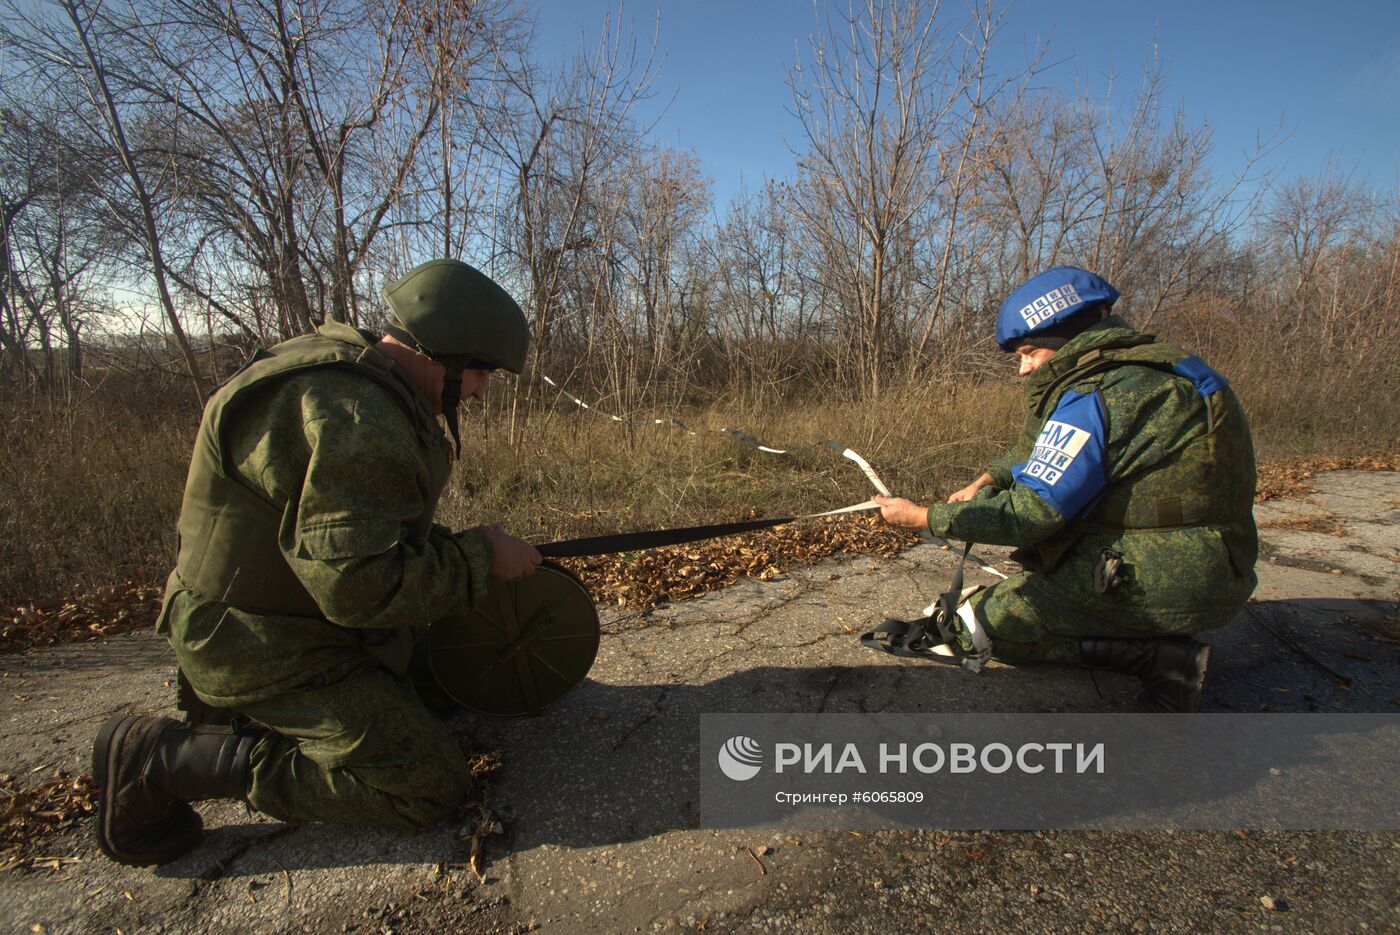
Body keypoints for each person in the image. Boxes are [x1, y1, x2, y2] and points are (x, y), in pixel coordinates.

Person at [93, 259, 543, 866]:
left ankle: (262, 719)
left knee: (451, 678)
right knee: (428, 783)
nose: (485, 391)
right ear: (448, 357)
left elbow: (351, 533)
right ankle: (164, 761)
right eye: (485, 372)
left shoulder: (346, 366)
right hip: (263, 645)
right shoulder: (358, 416)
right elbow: (360, 590)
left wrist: (467, 551)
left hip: (270, 621)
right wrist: (478, 560)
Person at [873, 266, 1257, 712]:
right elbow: (1038, 451)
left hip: (1158, 576)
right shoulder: (1161, 367)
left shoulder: (1098, 393)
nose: (1023, 369)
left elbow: (1029, 514)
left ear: (1064, 343)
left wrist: (924, 517)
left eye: (1030, 353)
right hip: (1220, 562)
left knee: (974, 626)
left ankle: (1160, 658)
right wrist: (988, 480)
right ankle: (1138, 628)